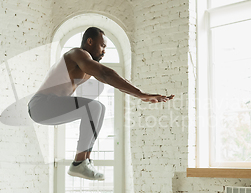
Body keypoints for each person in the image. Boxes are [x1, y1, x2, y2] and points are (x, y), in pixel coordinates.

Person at [28, 27, 174, 181]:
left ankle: (85, 161)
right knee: (93, 107)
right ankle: (79, 162)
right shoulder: (77, 54)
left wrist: (140, 96)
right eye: (103, 46)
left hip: (45, 110)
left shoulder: (88, 68)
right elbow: (106, 73)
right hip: (41, 105)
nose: (104, 51)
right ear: (90, 42)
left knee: (99, 109)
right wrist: (141, 94)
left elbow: (115, 81)